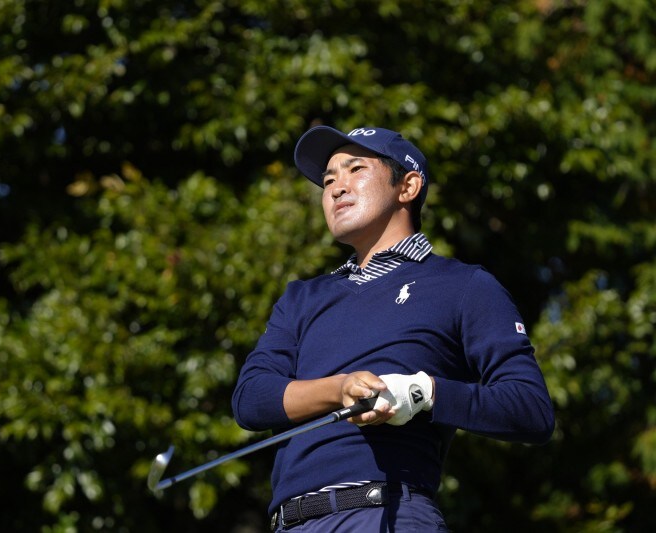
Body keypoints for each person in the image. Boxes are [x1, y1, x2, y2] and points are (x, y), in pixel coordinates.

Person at [231, 125, 555, 531]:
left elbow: (531, 409)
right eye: (328, 180)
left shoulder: (464, 285)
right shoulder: (302, 297)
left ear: (408, 186)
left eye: (356, 170)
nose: (336, 188)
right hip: (290, 523)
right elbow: (251, 398)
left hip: (386, 513)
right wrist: (340, 388)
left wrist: (425, 392)